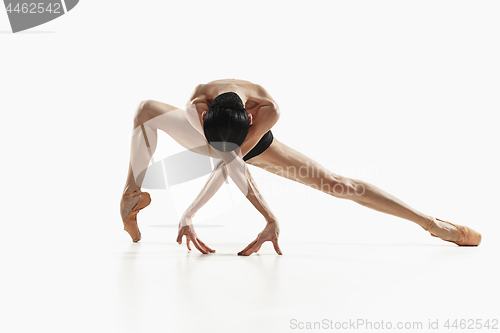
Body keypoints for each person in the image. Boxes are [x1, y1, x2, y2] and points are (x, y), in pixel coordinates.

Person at [120, 79, 481, 255]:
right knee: (146, 109)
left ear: (250, 115)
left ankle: (431, 223)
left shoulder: (268, 108)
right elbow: (225, 156)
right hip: (218, 138)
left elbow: (232, 162)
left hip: (253, 146)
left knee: (338, 184)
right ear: (202, 113)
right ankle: (130, 194)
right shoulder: (196, 103)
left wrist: (189, 212)